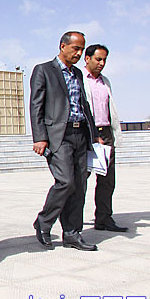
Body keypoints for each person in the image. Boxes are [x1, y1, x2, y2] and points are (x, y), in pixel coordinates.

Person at [30, 31, 101, 251]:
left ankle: (72, 233)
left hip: (81, 134)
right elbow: (36, 105)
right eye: (75, 48)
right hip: (58, 137)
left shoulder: (77, 73)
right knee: (66, 182)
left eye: (82, 49)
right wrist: (40, 137)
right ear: (63, 46)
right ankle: (44, 222)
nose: (79, 53)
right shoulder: (44, 70)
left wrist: (94, 133)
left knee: (79, 186)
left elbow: (83, 104)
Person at [82, 44, 127, 232]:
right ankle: (71, 221)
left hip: (106, 133)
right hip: (86, 134)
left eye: (104, 60)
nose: (102, 63)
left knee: (107, 180)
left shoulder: (105, 81)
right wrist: (91, 134)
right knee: (79, 180)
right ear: (87, 58)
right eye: (98, 59)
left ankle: (104, 218)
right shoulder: (79, 78)